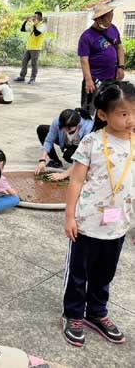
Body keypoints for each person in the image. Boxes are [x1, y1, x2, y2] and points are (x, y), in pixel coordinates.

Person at [61, 80, 135, 347]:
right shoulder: (91, 142)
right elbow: (76, 182)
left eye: (134, 112)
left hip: (118, 226)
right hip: (86, 224)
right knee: (79, 273)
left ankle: (96, 312)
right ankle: (73, 314)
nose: (131, 119)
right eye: (124, 113)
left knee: (105, 274)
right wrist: (70, 216)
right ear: (103, 115)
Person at [78, 5, 125, 115]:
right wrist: (88, 80)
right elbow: (84, 60)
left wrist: (121, 66)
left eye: (112, 16)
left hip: (112, 78)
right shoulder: (87, 36)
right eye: (109, 17)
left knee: (111, 108)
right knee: (88, 111)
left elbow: (119, 47)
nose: (111, 20)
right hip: (95, 79)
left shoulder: (113, 29)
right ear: (99, 19)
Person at [36, 108, 94, 181]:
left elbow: (83, 155)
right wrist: (42, 160)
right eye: (63, 128)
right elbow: (48, 141)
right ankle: (55, 161)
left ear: (78, 124)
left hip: (79, 146)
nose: (65, 130)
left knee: (69, 156)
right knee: (42, 129)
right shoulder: (57, 122)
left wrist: (64, 174)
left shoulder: (88, 128)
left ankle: (82, 168)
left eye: (69, 129)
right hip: (65, 142)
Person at [14, 11, 47, 84]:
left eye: (35, 16)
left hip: (36, 48)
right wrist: (25, 21)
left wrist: (35, 25)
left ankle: (32, 78)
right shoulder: (33, 26)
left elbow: (37, 33)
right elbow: (22, 29)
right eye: (34, 16)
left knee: (33, 63)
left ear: (40, 18)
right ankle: (22, 77)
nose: (34, 18)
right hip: (29, 47)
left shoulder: (43, 26)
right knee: (24, 61)